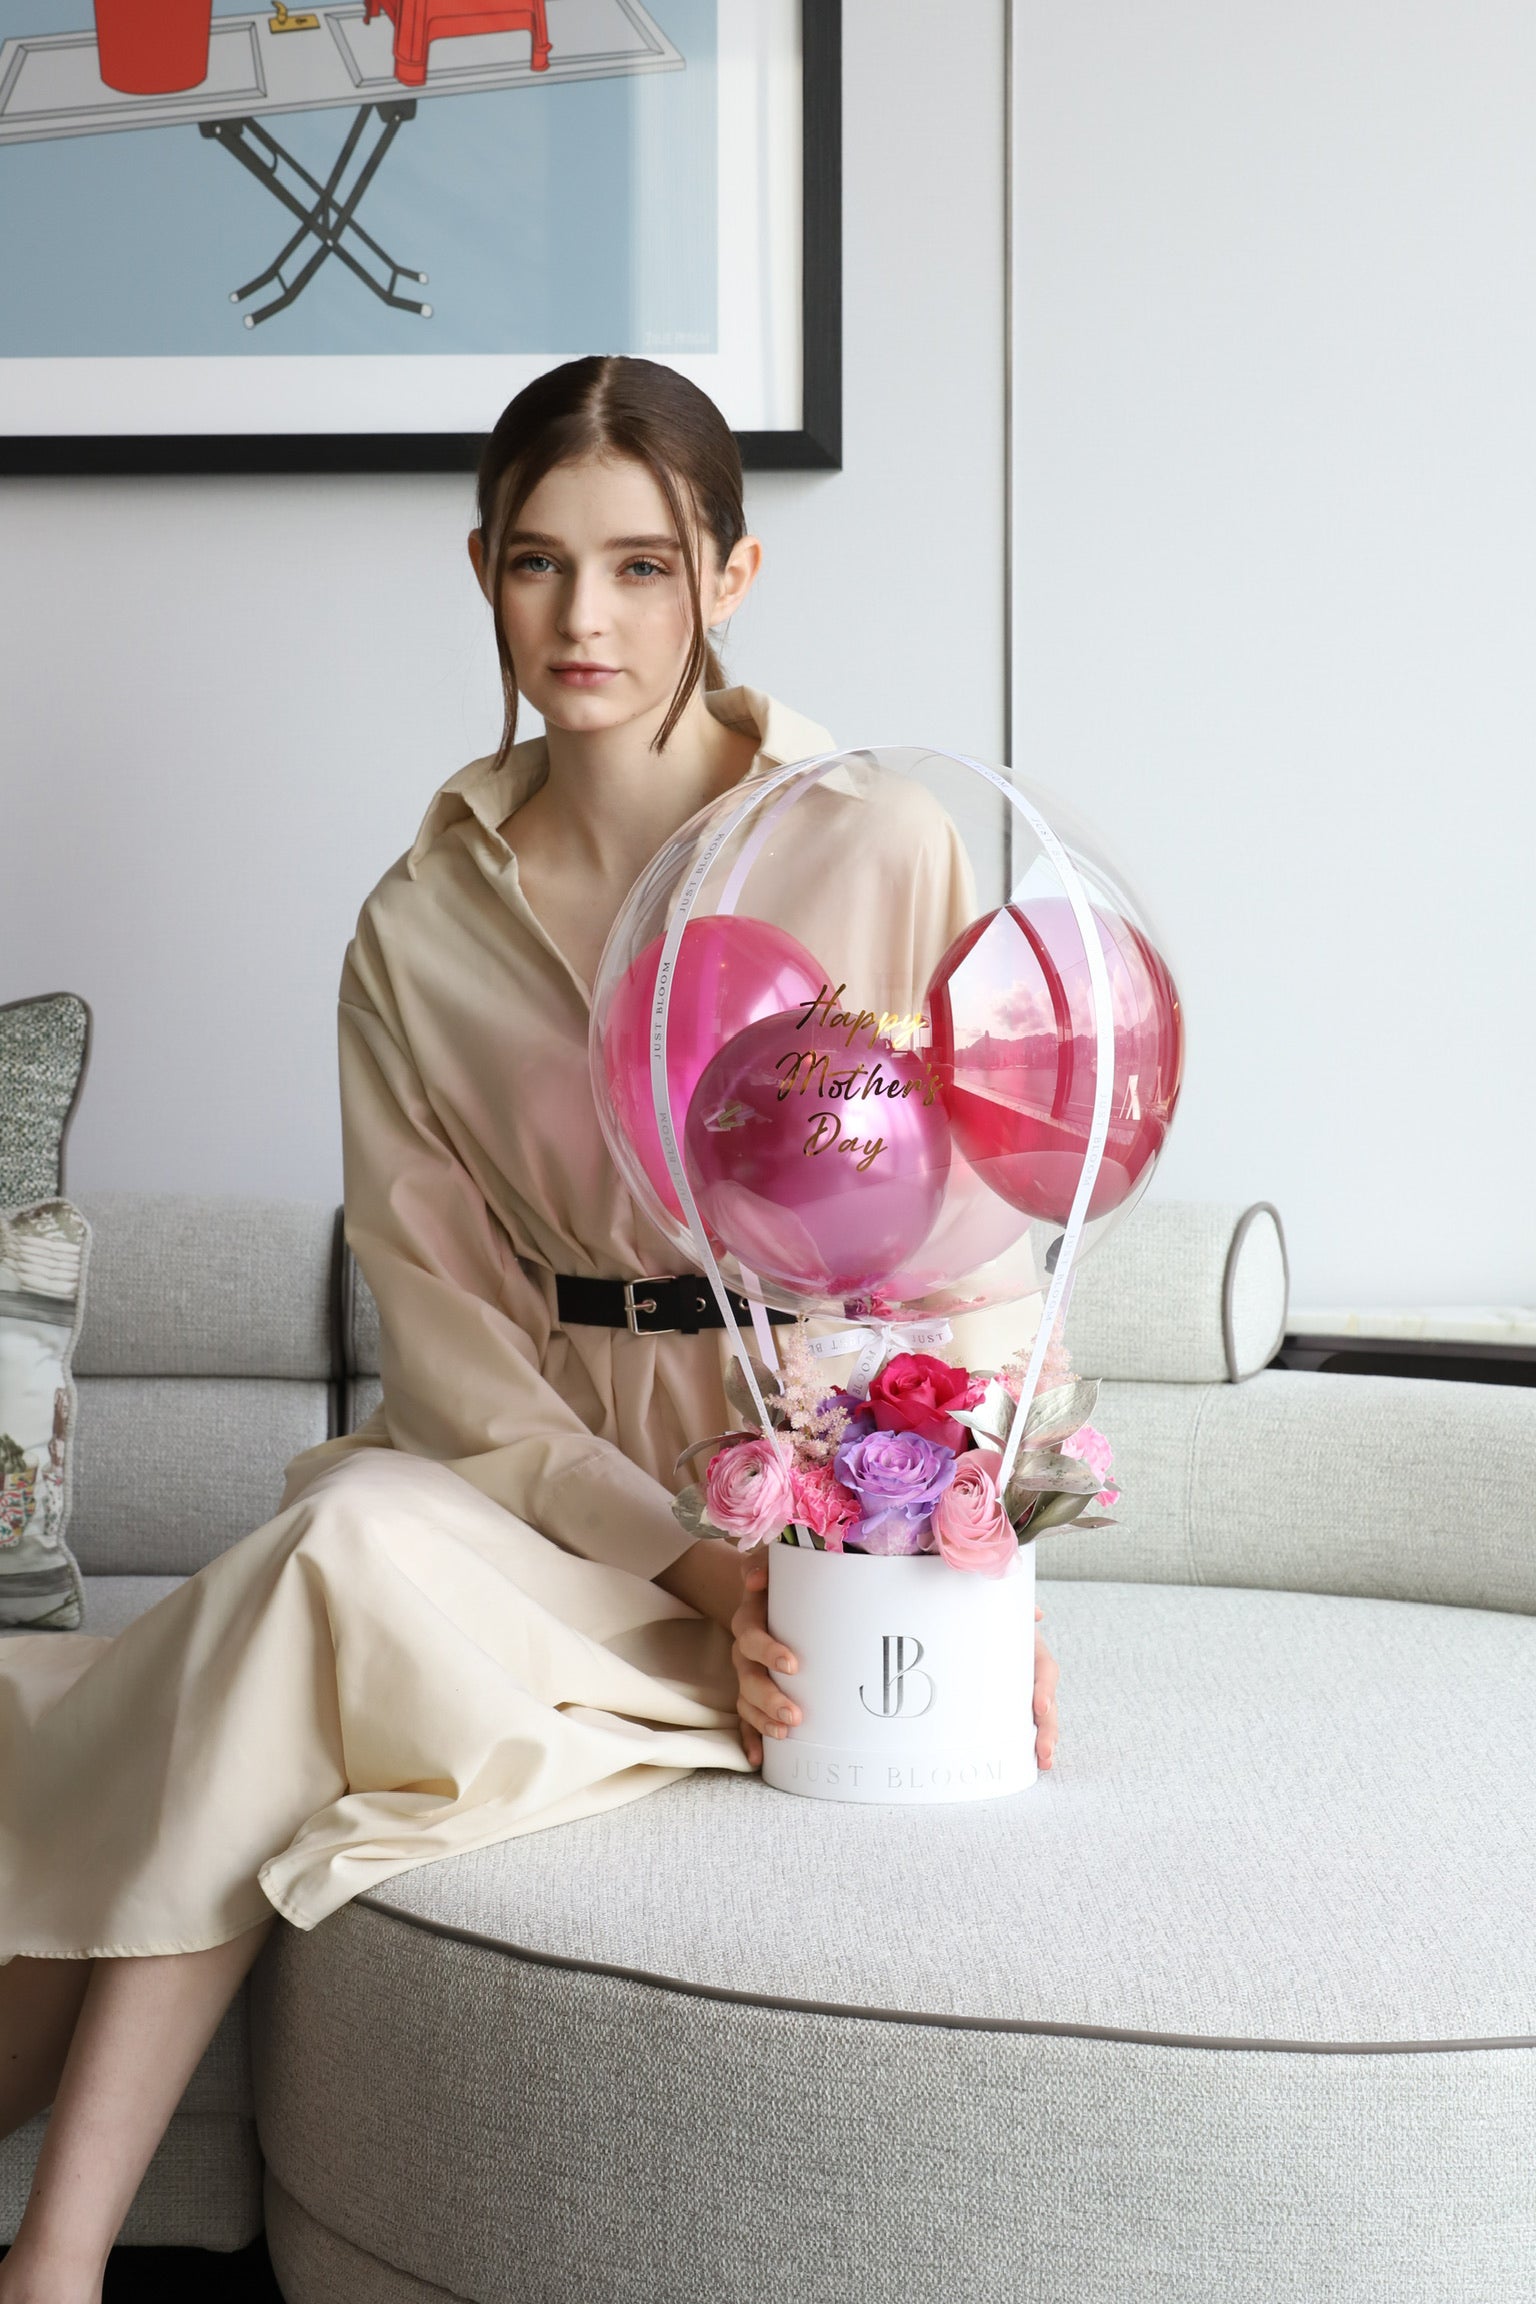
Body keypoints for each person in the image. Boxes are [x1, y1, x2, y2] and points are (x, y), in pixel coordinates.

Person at [0, 356, 1060, 2302]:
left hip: (812, 1540)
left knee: (256, 1626)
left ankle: (51, 2259)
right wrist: (676, 1545)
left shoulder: (883, 842)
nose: (587, 621)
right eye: (542, 565)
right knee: (341, 1543)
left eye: (643, 567)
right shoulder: (416, 924)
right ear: (479, 569)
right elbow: (449, 1339)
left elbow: (973, 1246)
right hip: (537, 1521)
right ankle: (58, 2267)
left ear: (730, 576)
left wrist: (949, 1571)